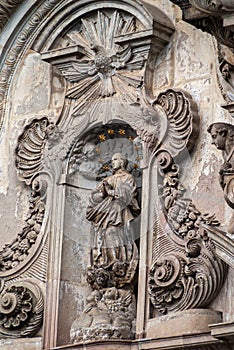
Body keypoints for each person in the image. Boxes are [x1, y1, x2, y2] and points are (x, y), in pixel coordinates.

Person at [86, 153, 140, 268]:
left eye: (115, 159)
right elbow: (93, 197)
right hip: (105, 213)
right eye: (112, 160)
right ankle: (104, 260)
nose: (113, 162)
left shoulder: (128, 178)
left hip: (119, 213)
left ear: (122, 161)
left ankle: (118, 260)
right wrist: (104, 194)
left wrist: (115, 192)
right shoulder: (107, 180)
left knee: (114, 232)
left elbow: (130, 194)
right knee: (104, 234)